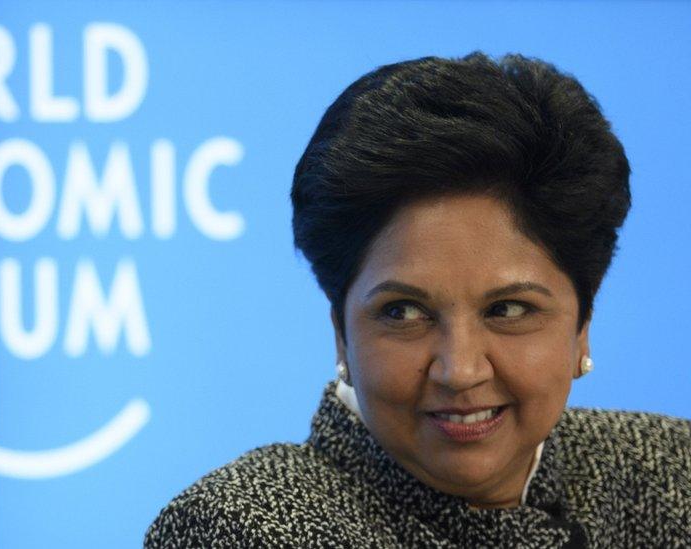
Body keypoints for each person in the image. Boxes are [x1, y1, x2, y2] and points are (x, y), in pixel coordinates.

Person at [143, 52, 691, 548]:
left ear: (582, 325)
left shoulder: (672, 473)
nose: (460, 370)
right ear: (341, 331)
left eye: (508, 310)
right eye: (403, 312)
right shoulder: (244, 526)